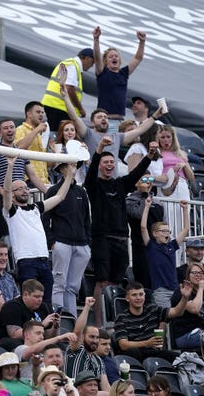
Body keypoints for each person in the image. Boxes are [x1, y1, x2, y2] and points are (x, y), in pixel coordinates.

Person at [85, 136, 157, 326]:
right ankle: (100, 325)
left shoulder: (119, 184)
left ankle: (115, 323)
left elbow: (137, 173)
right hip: (102, 239)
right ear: (100, 165)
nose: (109, 165)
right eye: (105, 162)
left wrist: (149, 156)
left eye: (111, 162)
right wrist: (99, 148)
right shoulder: (94, 185)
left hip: (121, 239)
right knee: (102, 282)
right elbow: (90, 174)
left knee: (116, 282)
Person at [3, 158, 75, 302]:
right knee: (30, 302)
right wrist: (10, 168)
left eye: (26, 188)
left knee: (47, 302)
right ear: (13, 192)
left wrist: (70, 175)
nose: (25, 191)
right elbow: (6, 191)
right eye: (20, 189)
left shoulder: (36, 208)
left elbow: (60, 197)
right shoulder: (11, 211)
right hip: (26, 262)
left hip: (44, 261)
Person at [57, 65, 161, 163]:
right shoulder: (88, 134)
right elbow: (74, 117)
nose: (103, 119)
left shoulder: (117, 137)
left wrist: (155, 116)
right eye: (99, 117)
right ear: (92, 123)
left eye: (105, 117)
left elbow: (140, 130)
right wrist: (65, 95)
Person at [43, 160, 91, 316]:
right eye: (70, 165)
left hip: (81, 244)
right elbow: (45, 219)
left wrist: (87, 243)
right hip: (62, 242)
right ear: (62, 169)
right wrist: (52, 242)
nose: (74, 168)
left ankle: (71, 320)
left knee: (72, 287)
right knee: (60, 284)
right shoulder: (53, 191)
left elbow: (86, 220)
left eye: (75, 165)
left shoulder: (81, 192)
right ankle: (58, 321)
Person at [114, 280, 191, 362]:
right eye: (134, 295)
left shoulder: (153, 309)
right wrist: (147, 343)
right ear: (127, 298)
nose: (138, 298)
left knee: (179, 358)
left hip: (152, 352)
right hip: (134, 354)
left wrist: (185, 297)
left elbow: (176, 312)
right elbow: (123, 345)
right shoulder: (121, 317)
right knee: (133, 351)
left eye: (141, 294)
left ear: (144, 295)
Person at [142, 197, 190, 307]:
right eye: (163, 231)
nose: (167, 233)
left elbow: (186, 229)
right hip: (161, 291)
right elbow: (143, 227)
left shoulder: (171, 246)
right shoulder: (151, 246)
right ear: (154, 233)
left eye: (168, 231)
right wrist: (147, 207)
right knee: (166, 319)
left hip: (176, 289)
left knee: (178, 319)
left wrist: (185, 209)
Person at [93, 26, 146, 123]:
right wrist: (96, 39)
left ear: (119, 60)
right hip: (106, 120)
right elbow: (97, 57)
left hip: (120, 121)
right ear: (105, 61)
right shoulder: (102, 72)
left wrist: (142, 42)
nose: (114, 58)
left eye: (116, 56)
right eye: (110, 57)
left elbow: (138, 58)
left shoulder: (123, 74)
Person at [0, 118, 48, 198]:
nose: (9, 130)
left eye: (12, 127)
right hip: (4, 199)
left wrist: (49, 193)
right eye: (6, 128)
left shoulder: (21, 152)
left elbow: (33, 176)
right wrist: (4, 194)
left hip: (22, 198)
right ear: (0, 133)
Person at [0, 279, 57, 351]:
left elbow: (48, 337)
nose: (40, 299)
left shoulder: (43, 307)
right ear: (25, 294)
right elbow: (14, 334)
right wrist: (42, 325)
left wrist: (55, 326)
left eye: (41, 296)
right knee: (18, 344)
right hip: (1, 343)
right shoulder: (12, 306)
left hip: (30, 343)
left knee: (54, 346)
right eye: (36, 297)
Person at [126, 172, 165, 288]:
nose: (148, 182)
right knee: (144, 281)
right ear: (136, 183)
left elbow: (162, 223)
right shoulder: (130, 200)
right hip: (141, 247)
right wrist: (144, 196)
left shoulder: (157, 203)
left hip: (157, 248)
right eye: (144, 180)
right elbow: (138, 214)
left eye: (151, 179)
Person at [41, 48, 94, 131]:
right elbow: (69, 88)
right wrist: (80, 109)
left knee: (55, 134)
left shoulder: (70, 64)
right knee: (58, 136)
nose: (92, 65)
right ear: (86, 58)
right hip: (59, 107)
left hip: (55, 105)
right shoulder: (73, 65)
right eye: (92, 61)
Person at [64, 297, 110, 390]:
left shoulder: (98, 360)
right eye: (91, 337)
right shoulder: (76, 350)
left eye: (97, 338)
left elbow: (106, 388)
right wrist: (87, 307)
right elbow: (77, 331)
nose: (95, 340)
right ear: (82, 337)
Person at [170, 262, 204, 350]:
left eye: (201, 273)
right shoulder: (181, 292)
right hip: (186, 335)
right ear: (188, 275)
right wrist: (201, 288)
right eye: (194, 273)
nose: (198, 275)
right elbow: (195, 309)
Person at [15, 101, 50, 185]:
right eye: (38, 112)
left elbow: (45, 162)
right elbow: (19, 147)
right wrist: (37, 129)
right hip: (28, 180)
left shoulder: (39, 134)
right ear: (29, 114)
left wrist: (56, 154)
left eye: (42, 112)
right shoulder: (20, 129)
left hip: (43, 181)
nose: (41, 115)